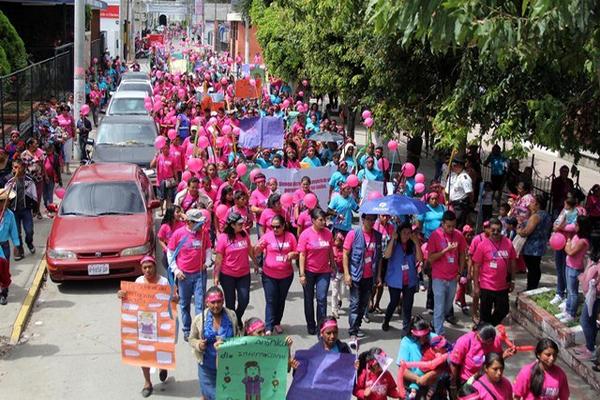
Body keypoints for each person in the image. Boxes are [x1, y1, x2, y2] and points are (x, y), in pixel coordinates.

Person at [117, 256, 174, 397]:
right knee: (144, 351)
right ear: (142, 269)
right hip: (144, 322)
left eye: (150, 267)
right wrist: (122, 294)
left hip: (161, 321)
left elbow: (171, 298)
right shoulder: (138, 282)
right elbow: (130, 298)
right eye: (145, 267)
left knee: (161, 347)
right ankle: (147, 383)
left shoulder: (163, 281)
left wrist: (175, 298)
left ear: (155, 267)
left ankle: (162, 366)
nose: (148, 270)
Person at [167, 209, 211, 342]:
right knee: (184, 304)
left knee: (200, 305)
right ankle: (187, 330)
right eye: (197, 223)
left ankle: (199, 330)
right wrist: (176, 270)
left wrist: (208, 262)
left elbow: (208, 249)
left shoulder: (204, 233)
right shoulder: (178, 234)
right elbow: (170, 253)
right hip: (184, 276)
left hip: (199, 274)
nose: (200, 225)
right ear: (189, 222)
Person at [189, 286, 240, 400]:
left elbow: (237, 337)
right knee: (211, 395)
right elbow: (191, 339)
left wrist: (231, 344)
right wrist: (199, 344)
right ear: (207, 303)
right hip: (207, 367)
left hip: (228, 366)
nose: (216, 305)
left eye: (219, 302)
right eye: (213, 302)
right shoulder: (199, 319)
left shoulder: (232, 316)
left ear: (223, 301)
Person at [255, 215, 298, 334]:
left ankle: (277, 322)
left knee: (280, 300)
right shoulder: (267, 237)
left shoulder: (290, 237)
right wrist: (257, 249)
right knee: (271, 300)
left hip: (286, 275)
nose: (274, 229)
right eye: (272, 227)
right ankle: (268, 326)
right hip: (269, 275)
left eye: (277, 227)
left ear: (284, 226)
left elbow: (298, 252)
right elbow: (256, 251)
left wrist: (292, 254)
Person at [427, 210, 467, 335]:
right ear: (442, 224)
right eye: (448, 226)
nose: (451, 229)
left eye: (453, 226)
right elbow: (431, 257)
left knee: (448, 306)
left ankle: (435, 323)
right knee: (439, 306)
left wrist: (460, 271)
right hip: (438, 277)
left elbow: (462, 254)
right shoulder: (435, 235)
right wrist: (446, 250)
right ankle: (439, 333)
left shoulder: (459, 235)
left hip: (453, 277)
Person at [343, 214, 382, 339]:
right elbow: (345, 254)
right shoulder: (353, 234)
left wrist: (378, 276)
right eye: (368, 219)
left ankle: (356, 326)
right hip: (356, 276)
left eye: (373, 219)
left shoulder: (377, 236)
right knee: (355, 303)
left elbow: (379, 258)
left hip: (370, 276)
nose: (371, 222)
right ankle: (352, 332)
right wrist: (346, 274)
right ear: (363, 219)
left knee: (364, 304)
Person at [214, 212, 256, 329]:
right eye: (239, 224)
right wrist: (216, 276)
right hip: (228, 275)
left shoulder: (244, 234)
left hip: (244, 274)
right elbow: (218, 259)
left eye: (242, 223)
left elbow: (250, 250)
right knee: (230, 303)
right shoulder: (223, 238)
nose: (242, 225)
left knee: (244, 300)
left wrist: (256, 263)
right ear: (232, 225)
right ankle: (232, 325)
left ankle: (237, 317)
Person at [471, 218, 517, 326]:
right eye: (493, 230)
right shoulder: (483, 245)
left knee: (503, 310)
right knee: (485, 314)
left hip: (503, 286)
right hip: (486, 286)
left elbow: (513, 262)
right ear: (488, 230)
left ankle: (488, 327)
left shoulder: (508, 243)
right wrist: (476, 286)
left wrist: (513, 280)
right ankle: (484, 332)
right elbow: (476, 266)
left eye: (498, 230)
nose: (496, 232)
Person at [449, 323, 515, 394]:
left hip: (487, 380)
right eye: (485, 342)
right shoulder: (465, 341)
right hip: (467, 381)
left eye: (491, 342)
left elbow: (495, 361)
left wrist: (504, 355)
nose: (489, 344)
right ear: (477, 334)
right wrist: (453, 385)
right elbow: (454, 364)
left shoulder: (495, 341)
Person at [381, 222, 422, 333]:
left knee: (407, 306)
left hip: (410, 281)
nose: (406, 236)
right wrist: (393, 239)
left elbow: (420, 259)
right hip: (395, 279)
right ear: (399, 233)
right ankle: (386, 320)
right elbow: (386, 255)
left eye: (409, 233)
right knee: (394, 302)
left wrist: (417, 242)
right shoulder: (394, 243)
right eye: (404, 233)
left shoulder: (412, 245)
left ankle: (406, 329)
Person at [298, 208, 334, 335]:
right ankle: (310, 324)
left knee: (322, 298)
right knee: (309, 299)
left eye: (324, 219)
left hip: (324, 271)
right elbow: (302, 255)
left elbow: (330, 250)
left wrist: (333, 265)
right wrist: (302, 274)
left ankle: (321, 324)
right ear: (313, 220)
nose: (324, 222)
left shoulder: (329, 233)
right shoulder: (305, 234)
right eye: (320, 220)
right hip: (309, 271)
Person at [556, 215, 591, 323]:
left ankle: (571, 313)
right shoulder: (577, 236)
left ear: (581, 226)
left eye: (576, 224)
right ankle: (567, 310)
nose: (574, 226)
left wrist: (567, 244)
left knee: (573, 292)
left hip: (575, 268)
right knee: (569, 291)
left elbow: (570, 252)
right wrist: (568, 244)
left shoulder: (583, 241)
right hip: (569, 266)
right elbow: (569, 246)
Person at [396, 316, 438, 398]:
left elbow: (444, 360)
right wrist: (419, 379)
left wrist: (429, 376)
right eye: (421, 336)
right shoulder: (406, 342)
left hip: (432, 380)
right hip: (412, 383)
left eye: (426, 335)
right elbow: (402, 370)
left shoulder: (434, 338)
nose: (424, 338)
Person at [517, 194, 552, 290]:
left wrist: (519, 230)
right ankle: (533, 286)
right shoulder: (547, 215)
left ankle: (531, 287)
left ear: (537, 204)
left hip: (532, 247)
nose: (530, 204)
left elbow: (526, 232)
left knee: (532, 269)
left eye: (532, 202)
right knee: (535, 267)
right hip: (541, 245)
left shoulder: (536, 216)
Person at [7, 159, 37, 260]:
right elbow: (6, 197)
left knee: (29, 231)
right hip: (14, 211)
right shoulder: (9, 180)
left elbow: (34, 195)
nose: (15, 169)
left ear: (23, 167)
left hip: (26, 209)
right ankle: (20, 250)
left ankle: (29, 242)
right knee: (17, 232)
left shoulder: (29, 180)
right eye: (14, 167)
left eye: (17, 167)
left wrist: (35, 208)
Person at [577, 245, 600, 361]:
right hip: (590, 295)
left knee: (584, 321)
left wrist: (595, 285)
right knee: (590, 320)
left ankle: (591, 349)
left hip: (595, 296)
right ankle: (589, 345)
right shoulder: (594, 261)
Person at [0, 188, 20, 305]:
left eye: (6, 201)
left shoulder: (10, 215)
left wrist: (17, 245)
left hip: (4, 246)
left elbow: (14, 231)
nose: (6, 203)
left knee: (4, 270)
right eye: (3, 201)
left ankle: (4, 293)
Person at [445, 159, 473, 228]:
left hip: (460, 205)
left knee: (457, 224)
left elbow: (470, 193)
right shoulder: (454, 175)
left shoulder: (464, 178)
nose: (452, 167)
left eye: (454, 166)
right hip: (452, 203)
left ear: (460, 166)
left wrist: (471, 202)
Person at [151, 142, 177, 215]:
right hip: (160, 181)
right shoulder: (159, 157)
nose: (165, 150)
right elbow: (152, 165)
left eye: (166, 148)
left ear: (169, 148)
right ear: (161, 149)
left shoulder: (172, 157)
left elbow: (174, 170)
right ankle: (162, 211)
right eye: (163, 148)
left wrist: (176, 180)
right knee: (160, 198)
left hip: (169, 181)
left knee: (168, 197)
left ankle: (167, 212)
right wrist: (155, 157)